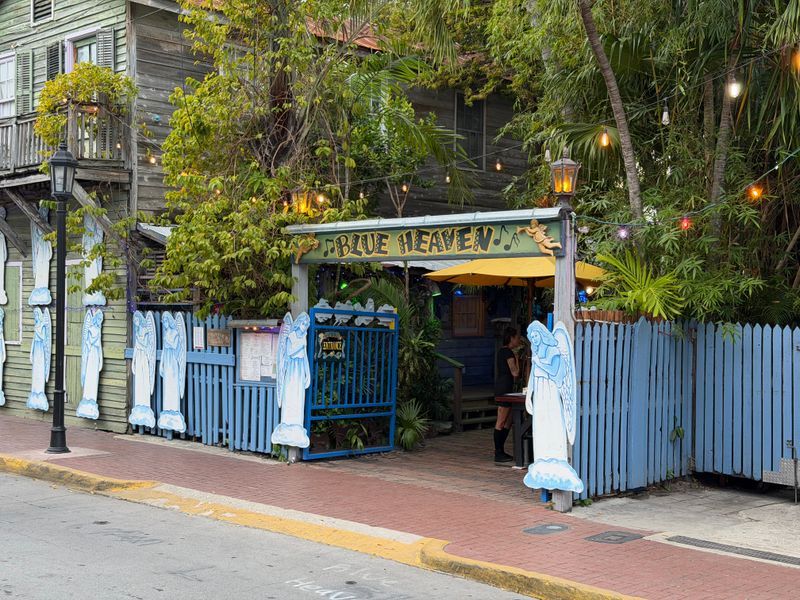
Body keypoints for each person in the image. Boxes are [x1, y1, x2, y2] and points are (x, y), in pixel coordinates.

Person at [493, 326, 522, 462]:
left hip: (505, 387)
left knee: (508, 421)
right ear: (511, 338)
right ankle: (498, 452)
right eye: (517, 338)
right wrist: (517, 358)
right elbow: (515, 372)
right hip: (504, 388)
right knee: (501, 421)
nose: (518, 340)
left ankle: (501, 449)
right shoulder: (509, 353)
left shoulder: (501, 351)